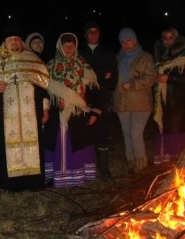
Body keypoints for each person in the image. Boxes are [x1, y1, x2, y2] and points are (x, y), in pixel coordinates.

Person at [0, 26, 50, 193]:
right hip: (8, 116)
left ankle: (34, 182)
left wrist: (45, 109)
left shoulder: (32, 60)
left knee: (33, 146)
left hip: (31, 116)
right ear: (5, 43)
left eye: (17, 39)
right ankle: (10, 183)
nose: (14, 41)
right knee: (7, 146)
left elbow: (43, 89)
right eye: (10, 39)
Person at [43, 33, 100, 188]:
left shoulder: (83, 66)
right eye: (65, 45)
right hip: (57, 116)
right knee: (58, 144)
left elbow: (94, 92)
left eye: (72, 45)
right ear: (60, 47)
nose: (69, 48)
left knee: (78, 144)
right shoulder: (50, 66)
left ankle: (78, 177)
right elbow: (44, 93)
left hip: (79, 116)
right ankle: (57, 177)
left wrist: (94, 111)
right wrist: (45, 110)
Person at [78, 21, 118, 178]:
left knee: (102, 132)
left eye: (96, 31)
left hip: (102, 97)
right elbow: (79, 76)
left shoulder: (108, 53)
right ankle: (87, 166)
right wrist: (101, 74)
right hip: (83, 98)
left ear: (99, 34)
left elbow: (113, 78)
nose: (93, 34)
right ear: (85, 35)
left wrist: (99, 80)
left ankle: (104, 168)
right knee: (86, 132)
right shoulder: (79, 53)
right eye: (90, 32)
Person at [113, 28, 155, 173]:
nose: (126, 44)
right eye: (123, 42)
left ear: (135, 40)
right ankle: (131, 161)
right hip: (122, 102)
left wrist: (134, 84)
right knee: (126, 132)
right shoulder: (118, 58)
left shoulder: (146, 57)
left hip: (141, 103)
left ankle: (141, 163)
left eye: (129, 40)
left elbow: (150, 78)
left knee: (136, 133)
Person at [153, 28, 185, 163]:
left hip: (179, 104)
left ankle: (181, 164)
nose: (167, 41)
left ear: (176, 40)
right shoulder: (160, 57)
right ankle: (167, 165)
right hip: (163, 103)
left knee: (178, 133)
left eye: (170, 38)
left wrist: (169, 78)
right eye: (165, 37)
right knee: (165, 131)